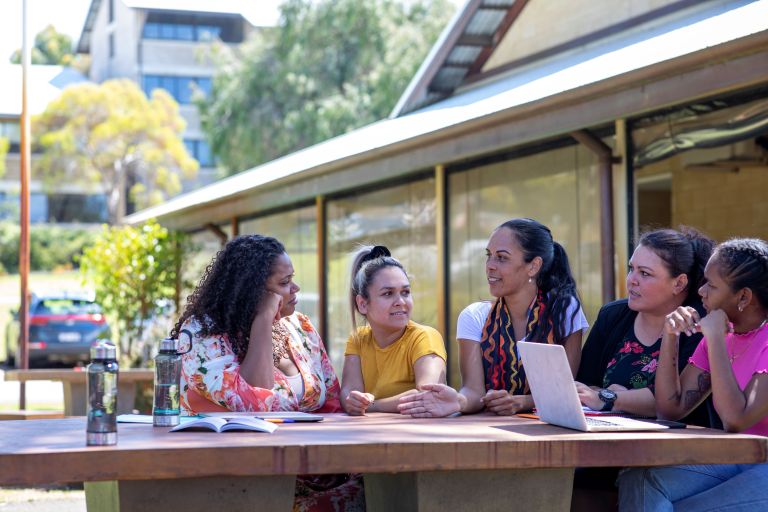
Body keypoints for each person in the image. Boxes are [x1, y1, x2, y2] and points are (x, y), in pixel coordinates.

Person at [172, 235, 364, 512]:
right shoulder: (202, 333)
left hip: (317, 468)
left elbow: (331, 398)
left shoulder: (300, 327)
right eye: (284, 283)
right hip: (249, 480)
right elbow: (252, 400)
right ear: (253, 290)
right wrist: (262, 319)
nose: (295, 288)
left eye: (292, 279)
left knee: (387, 489)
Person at [617, 238, 768, 511]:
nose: (701, 291)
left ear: (743, 297)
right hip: (738, 457)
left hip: (762, 462)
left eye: (711, 284)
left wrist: (716, 341)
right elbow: (670, 408)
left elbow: (736, 420)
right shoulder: (720, 333)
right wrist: (670, 335)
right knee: (639, 479)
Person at [398, 218, 588, 417]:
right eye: (489, 256)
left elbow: (566, 390)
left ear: (533, 266)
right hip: (489, 430)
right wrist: (458, 401)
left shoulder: (565, 310)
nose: (490, 265)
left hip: (551, 430)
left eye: (502, 258)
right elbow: (473, 391)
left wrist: (521, 402)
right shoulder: (474, 317)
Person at [575, 228, 715, 421]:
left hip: (675, 444)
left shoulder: (698, 326)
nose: (631, 280)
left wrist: (611, 397)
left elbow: (669, 403)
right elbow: (583, 385)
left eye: (645, 273)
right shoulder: (613, 315)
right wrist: (616, 397)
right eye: (631, 268)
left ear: (679, 283)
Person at [340, 245, 447, 415]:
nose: (401, 301)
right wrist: (353, 401)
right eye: (388, 294)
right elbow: (348, 393)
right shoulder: (358, 339)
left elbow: (428, 397)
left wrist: (372, 405)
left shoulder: (425, 337)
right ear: (362, 304)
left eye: (405, 292)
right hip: (370, 436)